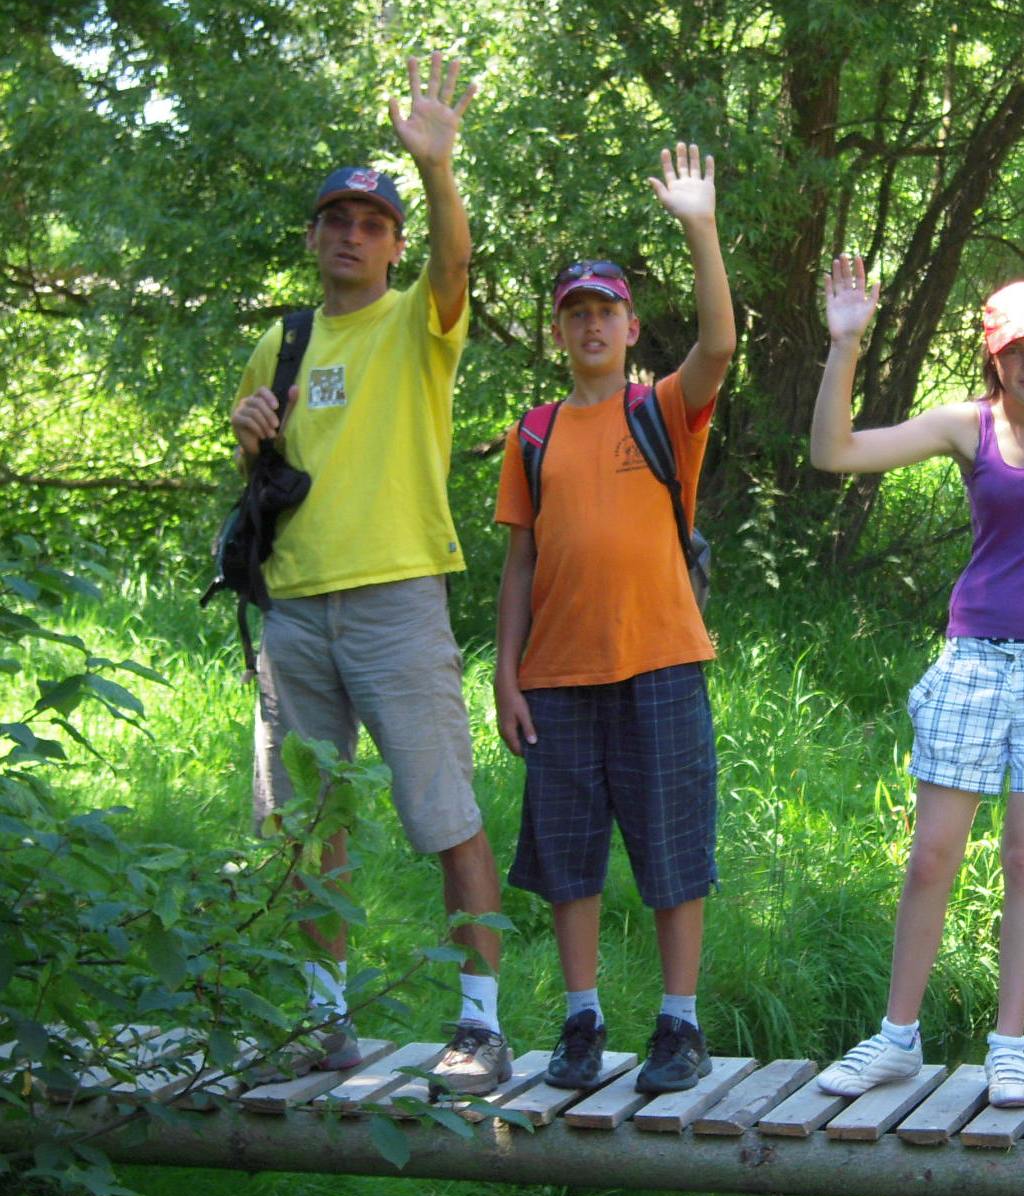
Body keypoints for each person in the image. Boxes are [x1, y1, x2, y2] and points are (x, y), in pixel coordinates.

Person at [228, 54, 511, 1094]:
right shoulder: (283, 339)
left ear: (394, 244)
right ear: (313, 237)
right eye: (336, 220)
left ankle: (480, 1026)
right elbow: (266, 473)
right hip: (295, 610)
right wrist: (248, 431)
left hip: (398, 598)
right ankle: (324, 1022)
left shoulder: (417, 321)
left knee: (445, 815)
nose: (352, 234)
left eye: (372, 223)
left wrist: (436, 167)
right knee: (308, 828)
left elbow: (456, 261)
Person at [810, 256, 1024, 1108]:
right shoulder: (966, 424)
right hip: (975, 657)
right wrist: (846, 343)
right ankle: (896, 1038)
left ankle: (1009, 1048)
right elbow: (833, 451)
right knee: (933, 853)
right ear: (993, 355)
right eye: (1015, 350)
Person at [493, 143, 735, 1095]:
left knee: (674, 849)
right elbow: (520, 562)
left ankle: (680, 1025)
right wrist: (506, 675)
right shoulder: (534, 431)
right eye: (576, 312)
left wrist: (699, 225)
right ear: (560, 330)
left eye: (606, 311)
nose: (591, 324)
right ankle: (582, 1019)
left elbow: (719, 345)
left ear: (632, 326)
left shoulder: (661, 410)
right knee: (568, 859)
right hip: (556, 678)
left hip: (661, 661)